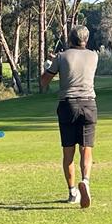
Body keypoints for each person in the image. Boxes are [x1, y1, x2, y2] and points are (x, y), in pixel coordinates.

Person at [40, 25, 98, 208]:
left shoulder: (61, 57)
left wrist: (49, 65)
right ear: (86, 39)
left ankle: (73, 192)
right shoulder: (94, 56)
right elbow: (77, 64)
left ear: (70, 39)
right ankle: (85, 181)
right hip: (88, 104)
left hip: (68, 105)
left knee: (68, 152)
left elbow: (44, 82)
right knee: (86, 149)